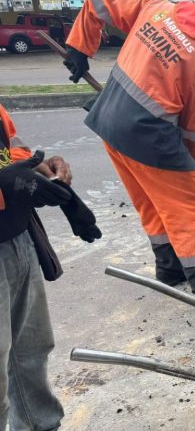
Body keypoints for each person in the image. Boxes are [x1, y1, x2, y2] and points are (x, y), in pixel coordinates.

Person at [62, 0, 195, 299]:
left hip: (108, 117)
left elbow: (98, 0)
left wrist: (79, 46)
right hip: (146, 134)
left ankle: (170, 270)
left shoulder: (159, 9)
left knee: (151, 201)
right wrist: (192, 175)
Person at [0, 103, 99, 430]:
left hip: (16, 239)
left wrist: (38, 168)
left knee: (30, 350)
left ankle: (41, 425)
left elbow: (9, 145)